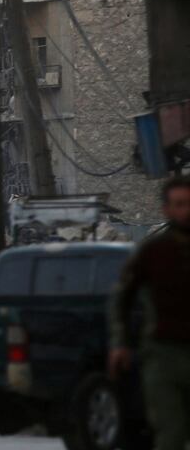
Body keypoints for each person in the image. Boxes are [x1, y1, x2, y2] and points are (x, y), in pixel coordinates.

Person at [110, 176, 190, 450]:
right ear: (167, 209)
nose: (185, 211)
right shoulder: (153, 251)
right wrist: (119, 342)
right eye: (179, 205)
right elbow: (122, 297)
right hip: (163, 353)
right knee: (170, 429)